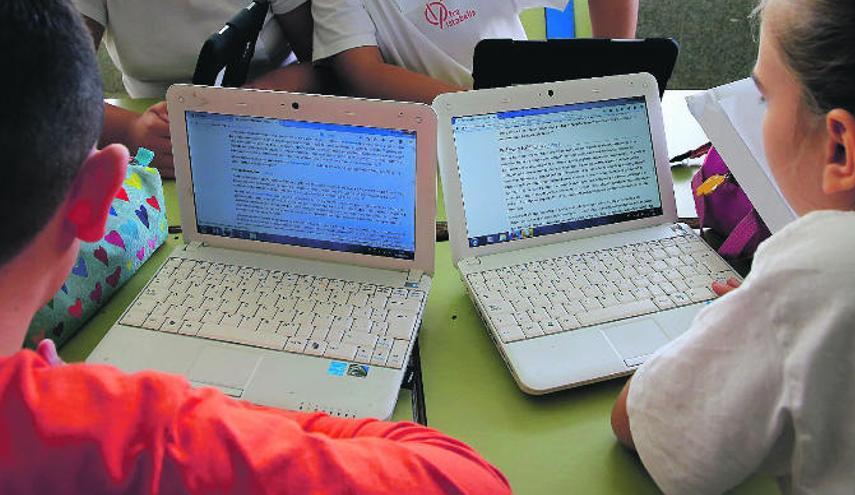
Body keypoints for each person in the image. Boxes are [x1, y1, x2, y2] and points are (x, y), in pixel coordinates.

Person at [0, 2, 511, 493]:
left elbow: (321, 65)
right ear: (95, 200)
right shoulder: (139, 438)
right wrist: (233, 406)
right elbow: (467, 480)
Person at [610, 0, 855, 493]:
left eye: (765, 99)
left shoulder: (817, 270)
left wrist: (742, 320)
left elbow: (640, 425)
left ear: (840, 148)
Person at [75, 0, 324, 177]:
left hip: (268, 136)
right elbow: (47, 90)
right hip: (155, 151)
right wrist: (130, 131)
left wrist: (257, 97)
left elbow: (327, 65)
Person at [311, 0, 640, 104]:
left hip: (534, 115)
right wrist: (482, 107)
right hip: (432, 137)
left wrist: (613, 79)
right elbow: (362, 72)